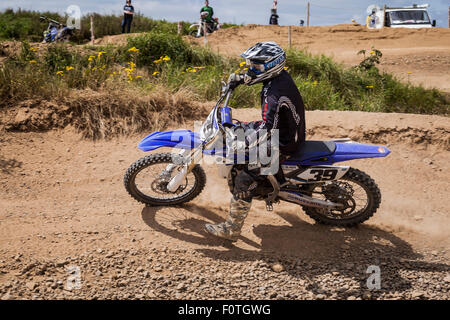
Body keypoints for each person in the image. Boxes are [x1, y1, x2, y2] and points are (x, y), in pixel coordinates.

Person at [204, 42, 306, 241]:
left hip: (283, 142)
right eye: (250, 65)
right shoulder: (278, 78)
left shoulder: (274, 95)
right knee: (240, 129)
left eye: (255, 66)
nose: (251, 69)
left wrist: (245, 143)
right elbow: (256, 79)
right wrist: (239, 79)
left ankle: (232, 229)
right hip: (284, 130)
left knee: (244, 177)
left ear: (271, 66)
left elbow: (268, 129)